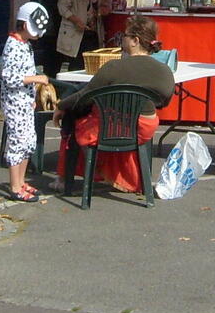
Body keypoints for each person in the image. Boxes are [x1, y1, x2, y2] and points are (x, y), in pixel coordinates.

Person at [56, 14, 176, 193]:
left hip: (110, 130)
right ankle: (115, 176)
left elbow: (85, 95)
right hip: (143, 129)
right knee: (105, 119)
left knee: (77, 119)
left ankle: (66, 179)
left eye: (125, 36)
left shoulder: (114, 67)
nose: (122, 39)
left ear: (135, 40)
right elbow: (163, 101)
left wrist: (61, 106)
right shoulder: (164, 71)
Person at [0, 2, 51, 203]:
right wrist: (36, 79)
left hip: (24, 102)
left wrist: (32, 96)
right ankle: (15, 186)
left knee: (28, 142)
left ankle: (21, 181)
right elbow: (10, 77)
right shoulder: (13, 45)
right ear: (26, 25)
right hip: (14, 103)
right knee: (17, 143)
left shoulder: (25, 45)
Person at [36, 0, 69, 80]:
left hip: (46, 23)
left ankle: (50, 80)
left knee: (49, 59)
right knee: (54, 58)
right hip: (55, 24)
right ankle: (53, 84)